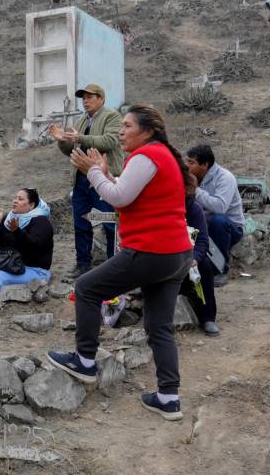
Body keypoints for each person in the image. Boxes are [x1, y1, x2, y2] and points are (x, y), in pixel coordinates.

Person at [46, 105, 194, 421]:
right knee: (159, 326)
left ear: (148, 129)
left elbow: (119, 198)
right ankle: (169, 398)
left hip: (151, 250)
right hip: (176, 254)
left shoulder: (146, 155)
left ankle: (84, 361)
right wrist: (107, 173)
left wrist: (94, 173)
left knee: (85, 287)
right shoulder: (159, 155)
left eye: (127, 126)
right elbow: (130, 192)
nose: (121, 131)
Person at [48, 83, 122, 279]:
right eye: (83, 98)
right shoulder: (80, 121)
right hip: (81, 178)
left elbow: (109, 141)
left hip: (104, 177)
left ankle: (114, 265)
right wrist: (62, 139)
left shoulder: (112, 116)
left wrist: (79, 137)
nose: (85, 101)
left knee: (109, 222)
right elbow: (70, 151)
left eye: (90, 97)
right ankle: (83, 264)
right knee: (81, 222)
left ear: (101, 98)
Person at [185, 144, 245, 287]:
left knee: (218, 221)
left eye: (191, 163)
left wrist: (196, 191)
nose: (187, 166)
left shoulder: (225, 178)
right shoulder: (193, 176)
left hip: (230, 228)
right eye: (186, 161)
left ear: (204, 165)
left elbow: (220, 207)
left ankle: (221, 269)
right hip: (204, 225)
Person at [180, 182, 219, 336]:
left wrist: (195, 258)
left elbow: (202, 240)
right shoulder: (160, 208)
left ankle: (207, 317)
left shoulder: (193, 209)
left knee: (205, 267)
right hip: (166, 255)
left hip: (189, 255)